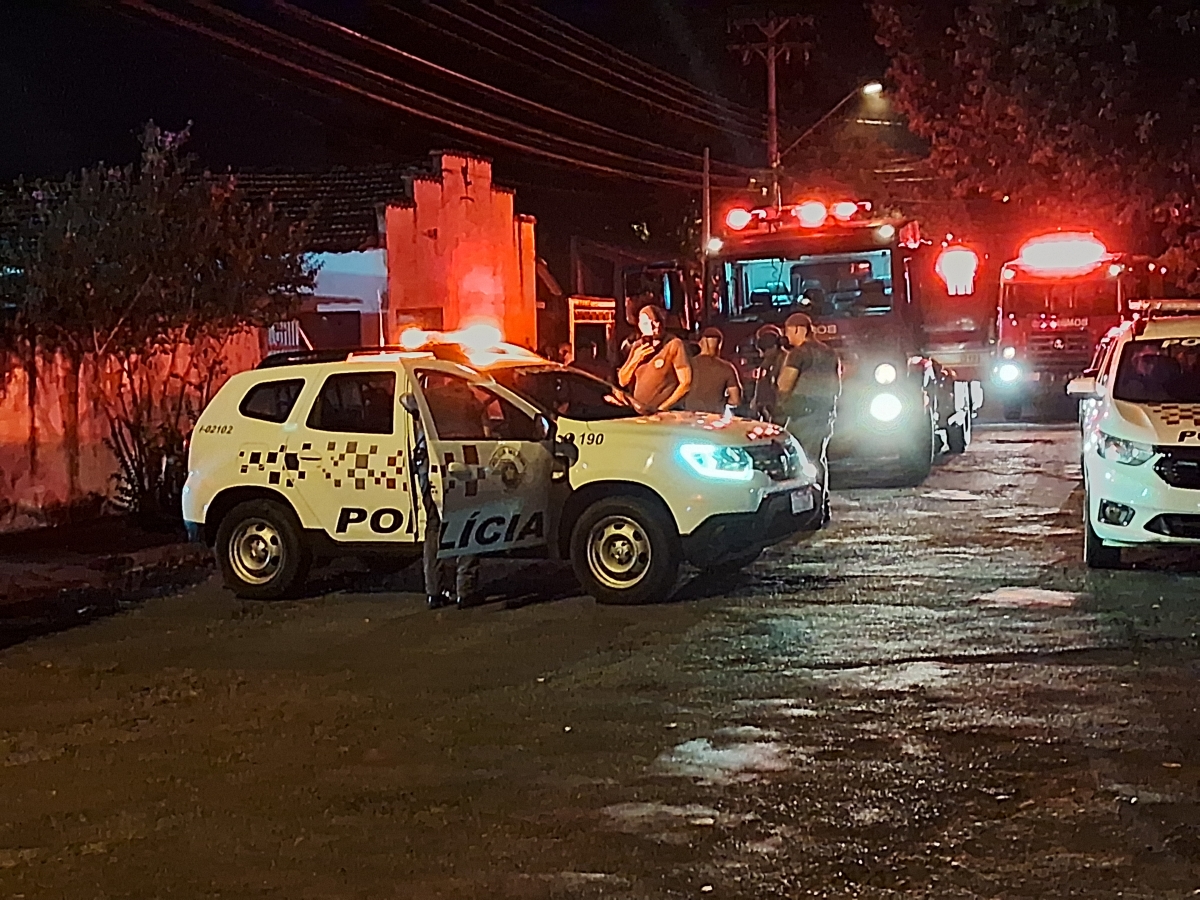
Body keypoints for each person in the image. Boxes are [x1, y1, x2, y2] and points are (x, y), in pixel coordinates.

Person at [407, 386, 482, 610]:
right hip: (460, 466)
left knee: (433, 527)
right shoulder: (465, 396)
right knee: (469, 524)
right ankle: (465, 590)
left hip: (430, 469)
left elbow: (406, 401)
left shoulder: (424, 395)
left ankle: (434, 591)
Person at [776, 312, 841, 499]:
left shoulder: (798, 353)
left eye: (788, 331)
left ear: (798, 329)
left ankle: (809, 501)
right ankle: (822, 497)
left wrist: (783, 400)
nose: (786, 336)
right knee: (818, 457)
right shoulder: (830, 353)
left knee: (800, 457)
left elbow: (784, 383)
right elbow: (838, 386)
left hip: (803, 414)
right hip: (825, 412)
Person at [617, 304, 692, 411]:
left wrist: (663, 407)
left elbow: (685, 383)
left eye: (655, 322)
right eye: (646, 323)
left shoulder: (673, 344)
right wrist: (636, 359)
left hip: (665, 415)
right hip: (639, 414)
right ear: (639, 326)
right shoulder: (638, 346)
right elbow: (622, 381)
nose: (651, 327)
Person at [684, 326, 742, 414]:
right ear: (720, 344)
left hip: (690, 416)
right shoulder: (727, 368)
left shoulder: (688, 364)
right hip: (715, 418)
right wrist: (723, 401)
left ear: (701, 342)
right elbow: (735, 400)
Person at [750, 324, 786, 421]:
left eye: (764, 350)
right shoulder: (769, 362)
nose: (762, 355)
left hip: (781, 411)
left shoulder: (785, 360)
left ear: (773, 347)